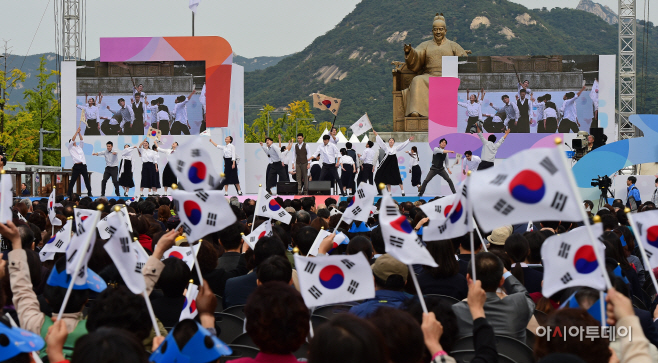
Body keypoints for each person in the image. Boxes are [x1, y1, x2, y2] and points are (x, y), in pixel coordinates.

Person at [451, 252, 535, 342]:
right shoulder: (520, 304)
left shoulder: (455, 312)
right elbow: (524, 294)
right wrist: (505, 273)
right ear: (502, 281)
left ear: (468, 278)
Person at [373, 129, 414, 195]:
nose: (391, 141)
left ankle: (402, 191)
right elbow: (381, 142)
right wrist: (376, 135)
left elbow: (403, 145)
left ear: (394, 142)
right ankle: (389, 192)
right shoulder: (386, 148)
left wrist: (408, 140)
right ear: (388, 142)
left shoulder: (396, 148)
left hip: (394, 163)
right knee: (388, 178)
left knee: (397, 176)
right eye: (390, 140)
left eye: (392, 140)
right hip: (387, 163)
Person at [67, 127, 92, 197]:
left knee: (86, 179)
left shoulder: (79, 147)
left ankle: (89, 192)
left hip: (83, 165)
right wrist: (76, 132)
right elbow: (72, 139)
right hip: (76, 166)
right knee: (73, 180)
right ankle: (68, 193)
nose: (74, 142)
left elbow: (81, 140)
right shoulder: (70, 148)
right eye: (72, 141)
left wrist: (79, 133)